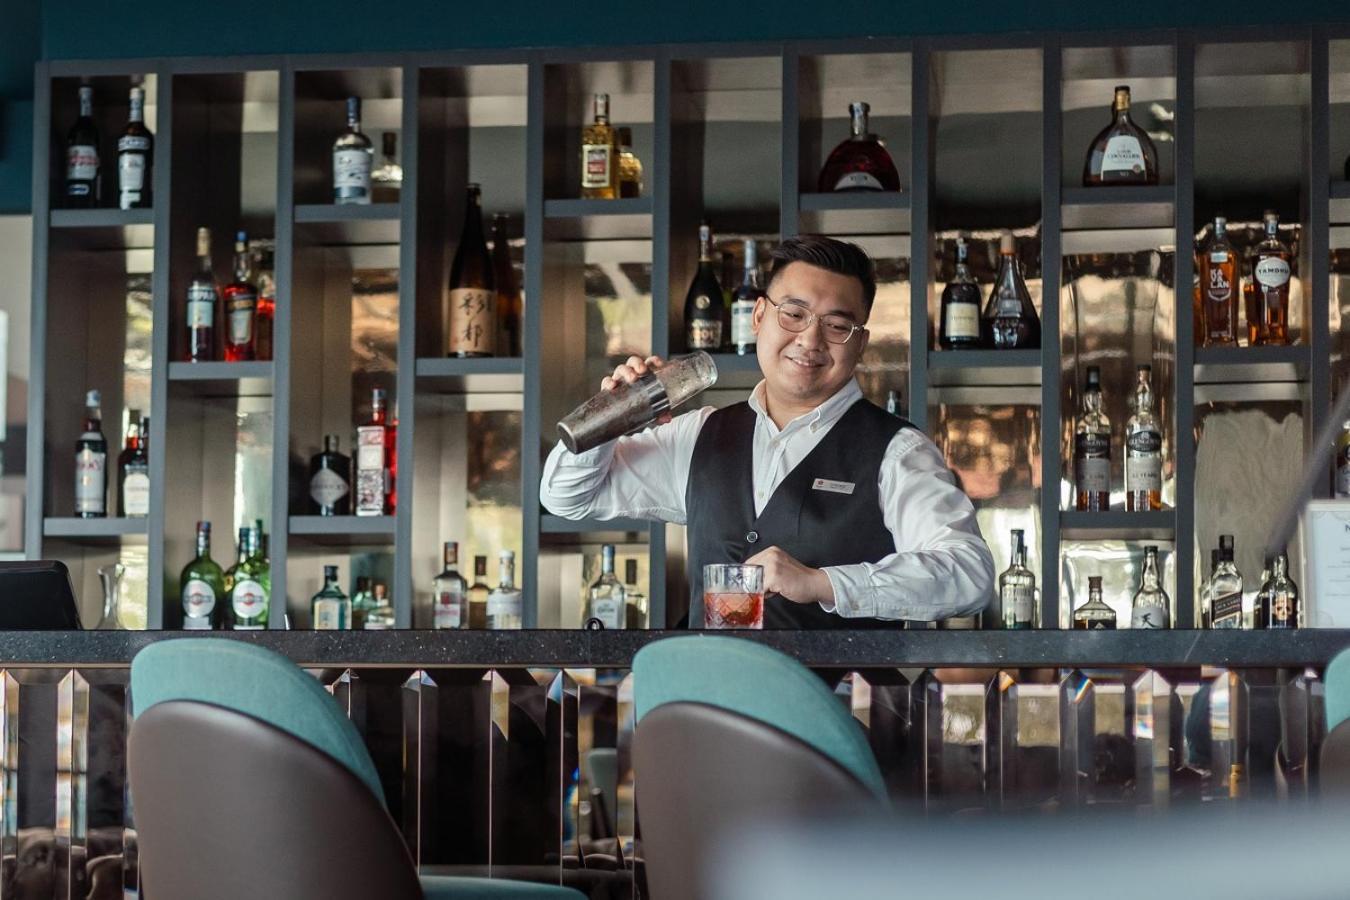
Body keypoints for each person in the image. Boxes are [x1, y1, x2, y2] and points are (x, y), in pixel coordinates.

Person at [541, 234, 994, 628]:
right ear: (758, 316)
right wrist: (612, 414)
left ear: (860, 342)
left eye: (836, 325)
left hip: (832, 714)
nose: (810, 340)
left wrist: (822, 583)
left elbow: (967, 573)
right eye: (793, 314)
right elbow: (566, 496)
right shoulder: (701, 434)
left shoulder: (897, 451)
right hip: (707, 710)